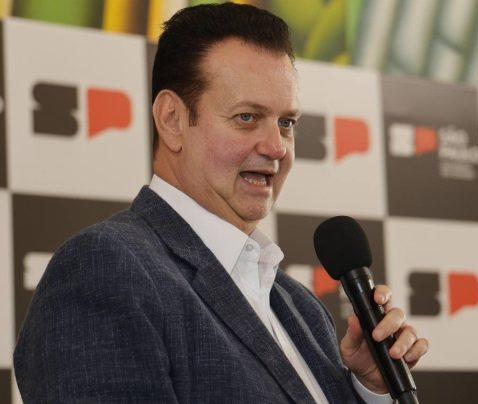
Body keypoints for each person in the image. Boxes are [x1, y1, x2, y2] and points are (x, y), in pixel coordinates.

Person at [14, 3, 428, 403]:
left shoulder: (300, 306)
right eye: (247, 117)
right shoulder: (106, 269)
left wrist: (368, 390)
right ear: (172, 120)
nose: (277, 147)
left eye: (286, 123)